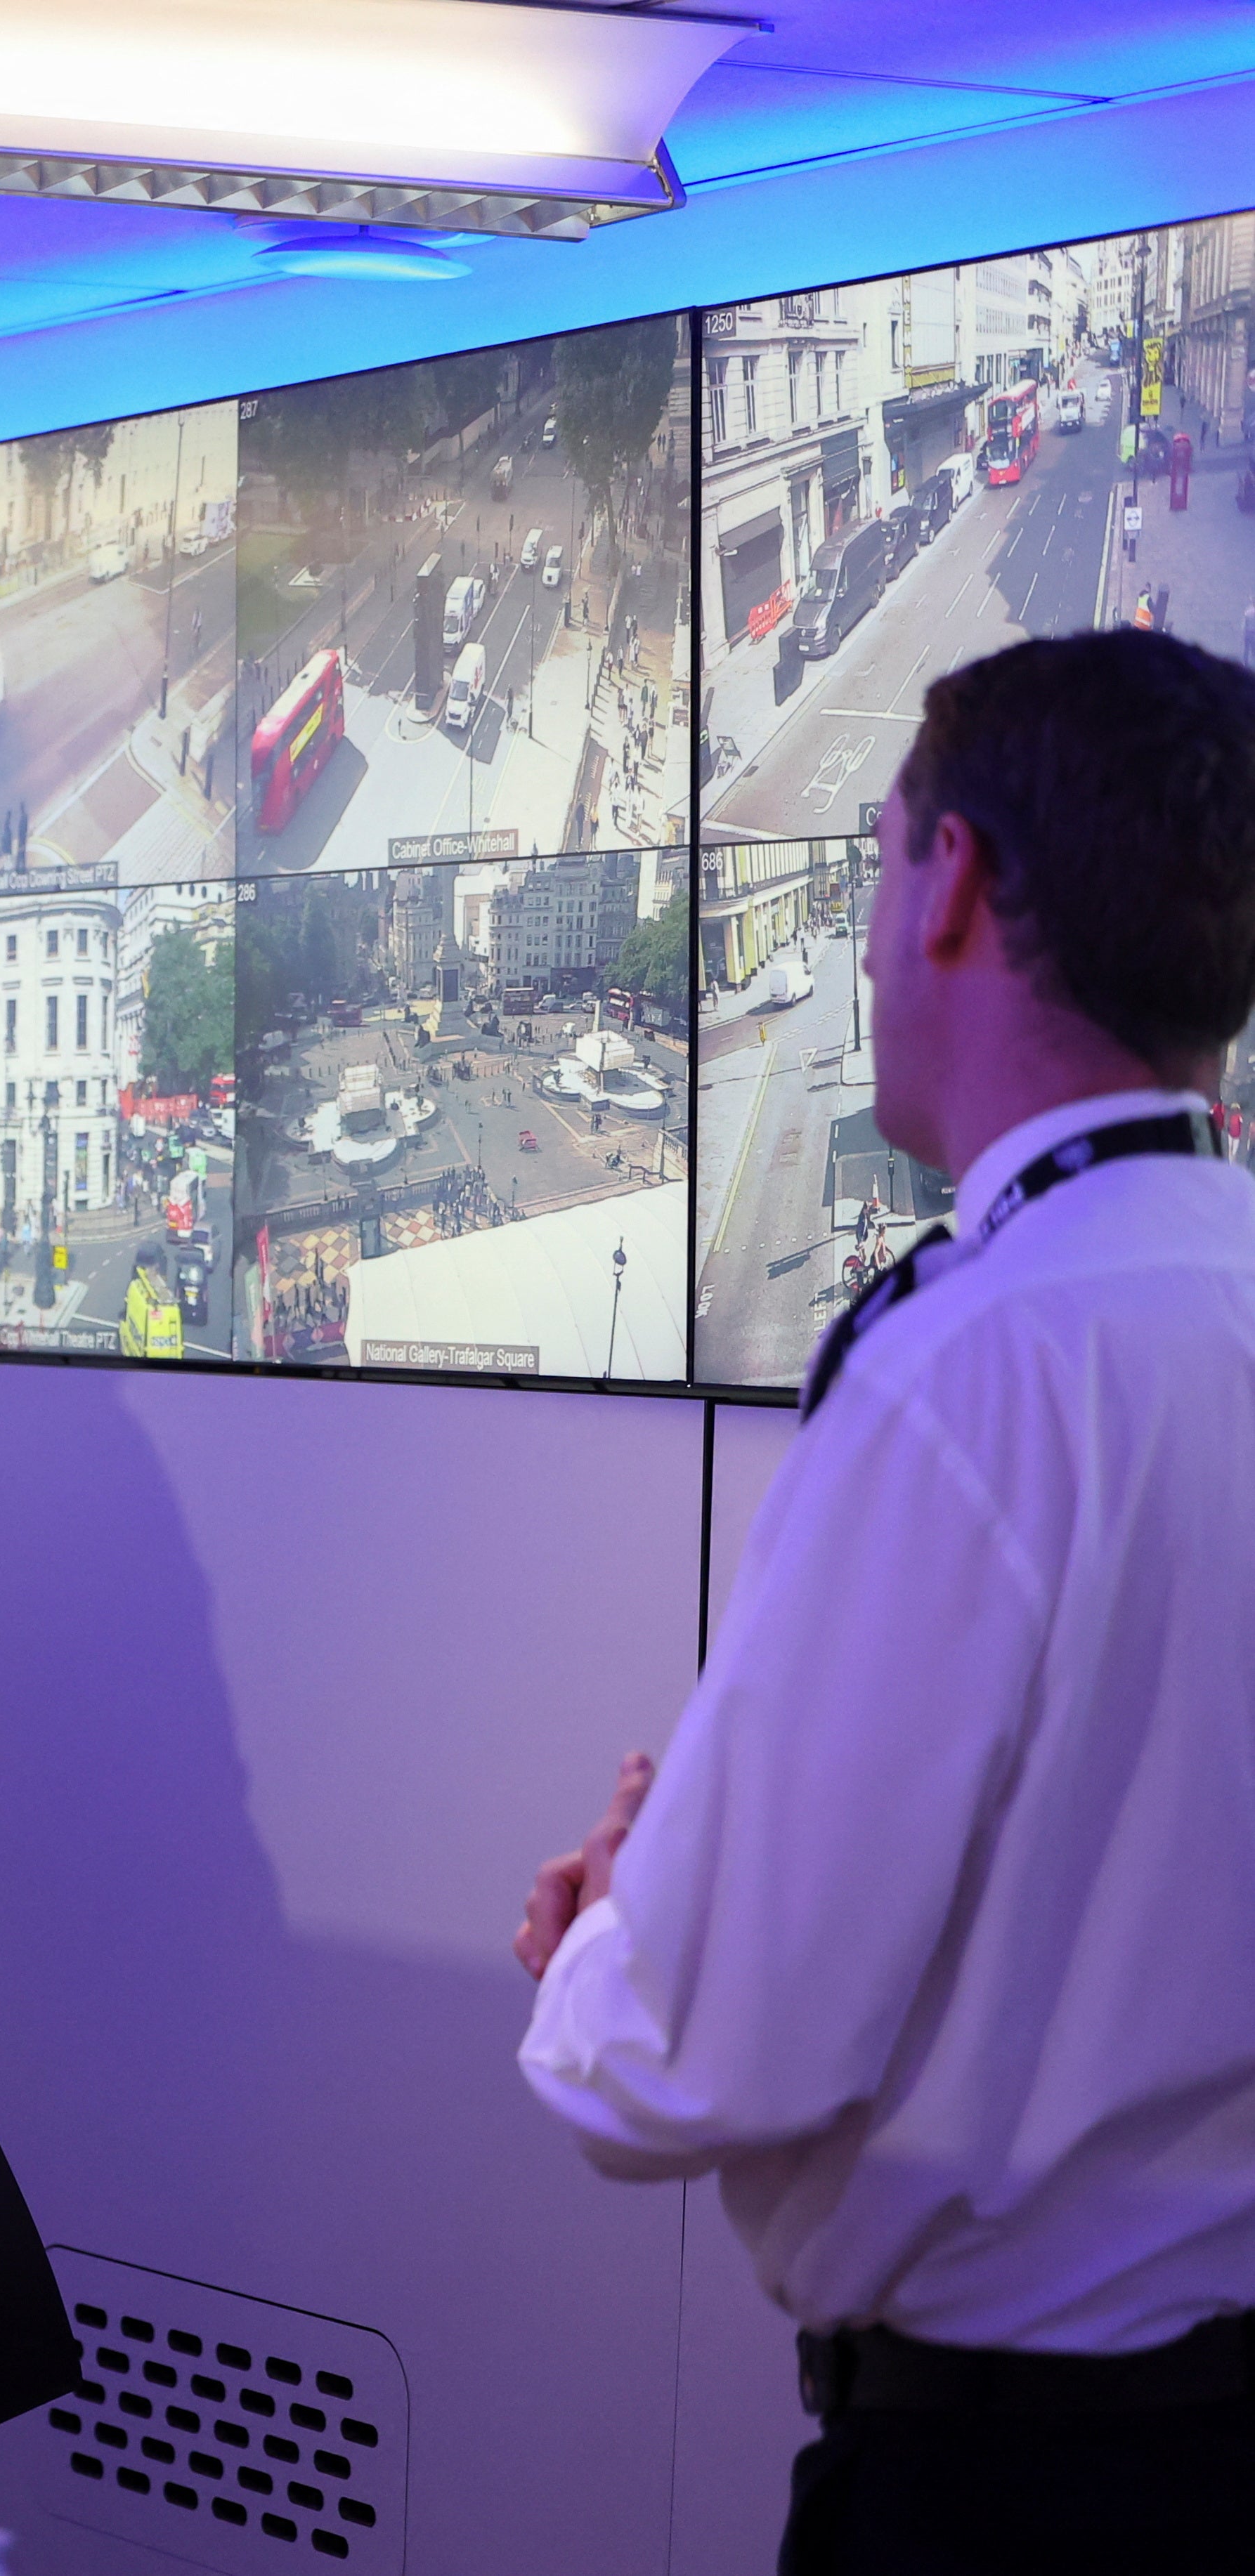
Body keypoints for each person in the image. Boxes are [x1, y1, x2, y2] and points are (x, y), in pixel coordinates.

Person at [512, 631, 1255, 2572]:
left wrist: (613, 1941)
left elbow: (703, 2050)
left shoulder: (968, 1371)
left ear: (950, 889)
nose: (853, 941)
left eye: (868, 865)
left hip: (1008, 2492)